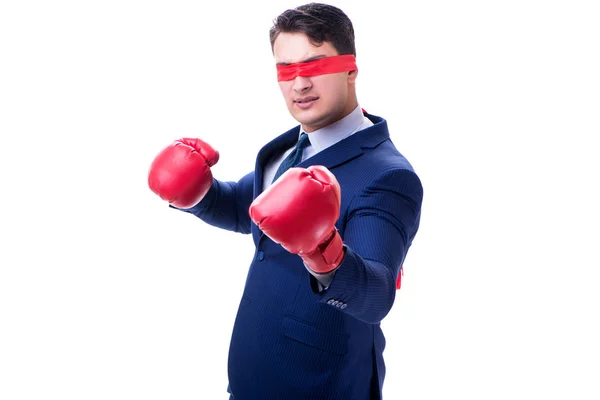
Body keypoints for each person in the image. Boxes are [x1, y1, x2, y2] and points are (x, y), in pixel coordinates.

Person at [147, 3, 423, 399]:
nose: (300, 84)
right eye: (286, 69)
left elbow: (376, 295)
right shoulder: (291, 147)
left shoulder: (388, 175)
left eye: (314, 66)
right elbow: (249, 210)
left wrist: (321, 250)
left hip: (321, 386)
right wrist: (197, 191)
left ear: (351, 69)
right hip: (252, 377)